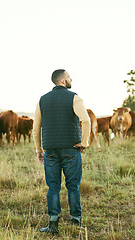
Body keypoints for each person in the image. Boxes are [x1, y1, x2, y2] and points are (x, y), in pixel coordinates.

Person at [33, 69, 91, 234]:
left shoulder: (42, 100)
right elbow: (85, 120)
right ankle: (75, 223)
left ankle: (52, 224)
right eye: (69, 77)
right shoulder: (74, 97)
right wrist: (84, 142)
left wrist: (39, 149)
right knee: (73, 186)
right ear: (63, 81)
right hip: (71, 149)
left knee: (53, 187)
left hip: (50, 150)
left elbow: (36, 129)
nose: (71, 78)